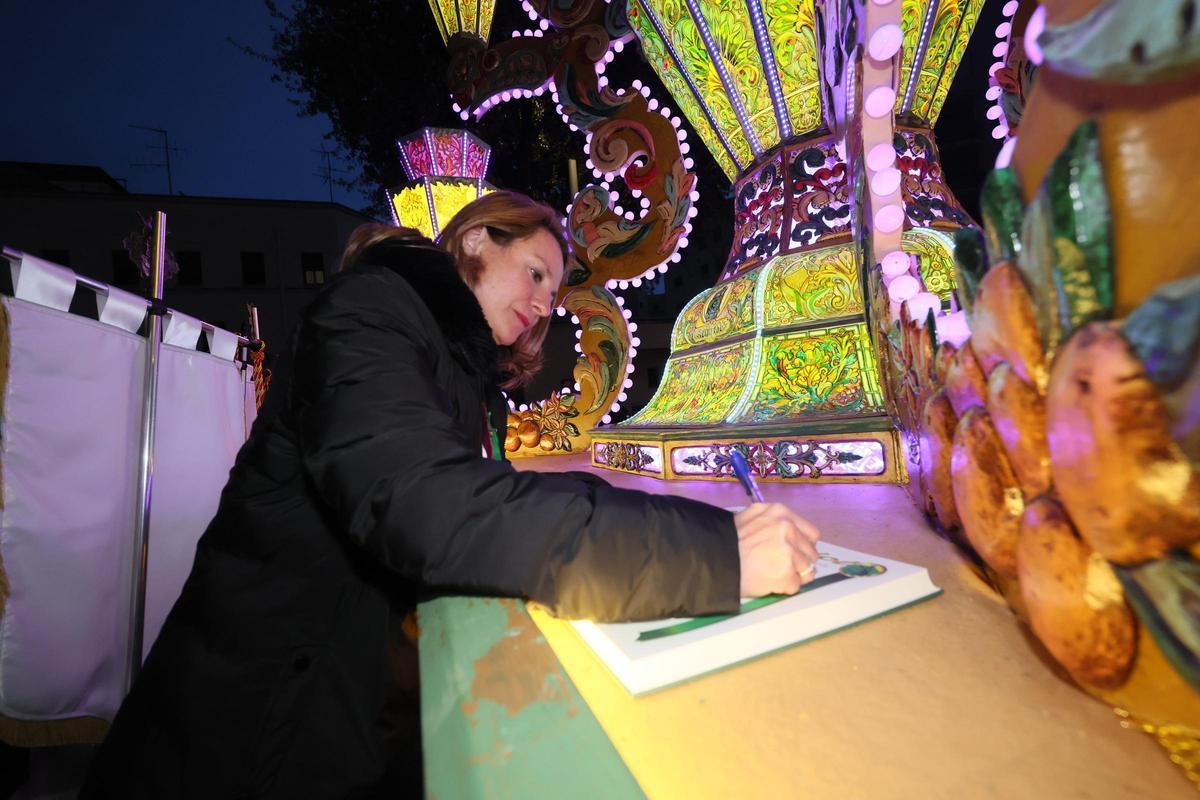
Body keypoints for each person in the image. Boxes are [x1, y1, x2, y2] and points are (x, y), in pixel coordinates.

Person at [82, 191, 820, 798]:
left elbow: (468, 490)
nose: (543, 303)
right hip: (248, 725)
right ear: (475, 242)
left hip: (329, 708)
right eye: (533, 272)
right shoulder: (371, 309)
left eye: (555, 294)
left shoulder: (455, 368)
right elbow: (424, 501)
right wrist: (710, 552)